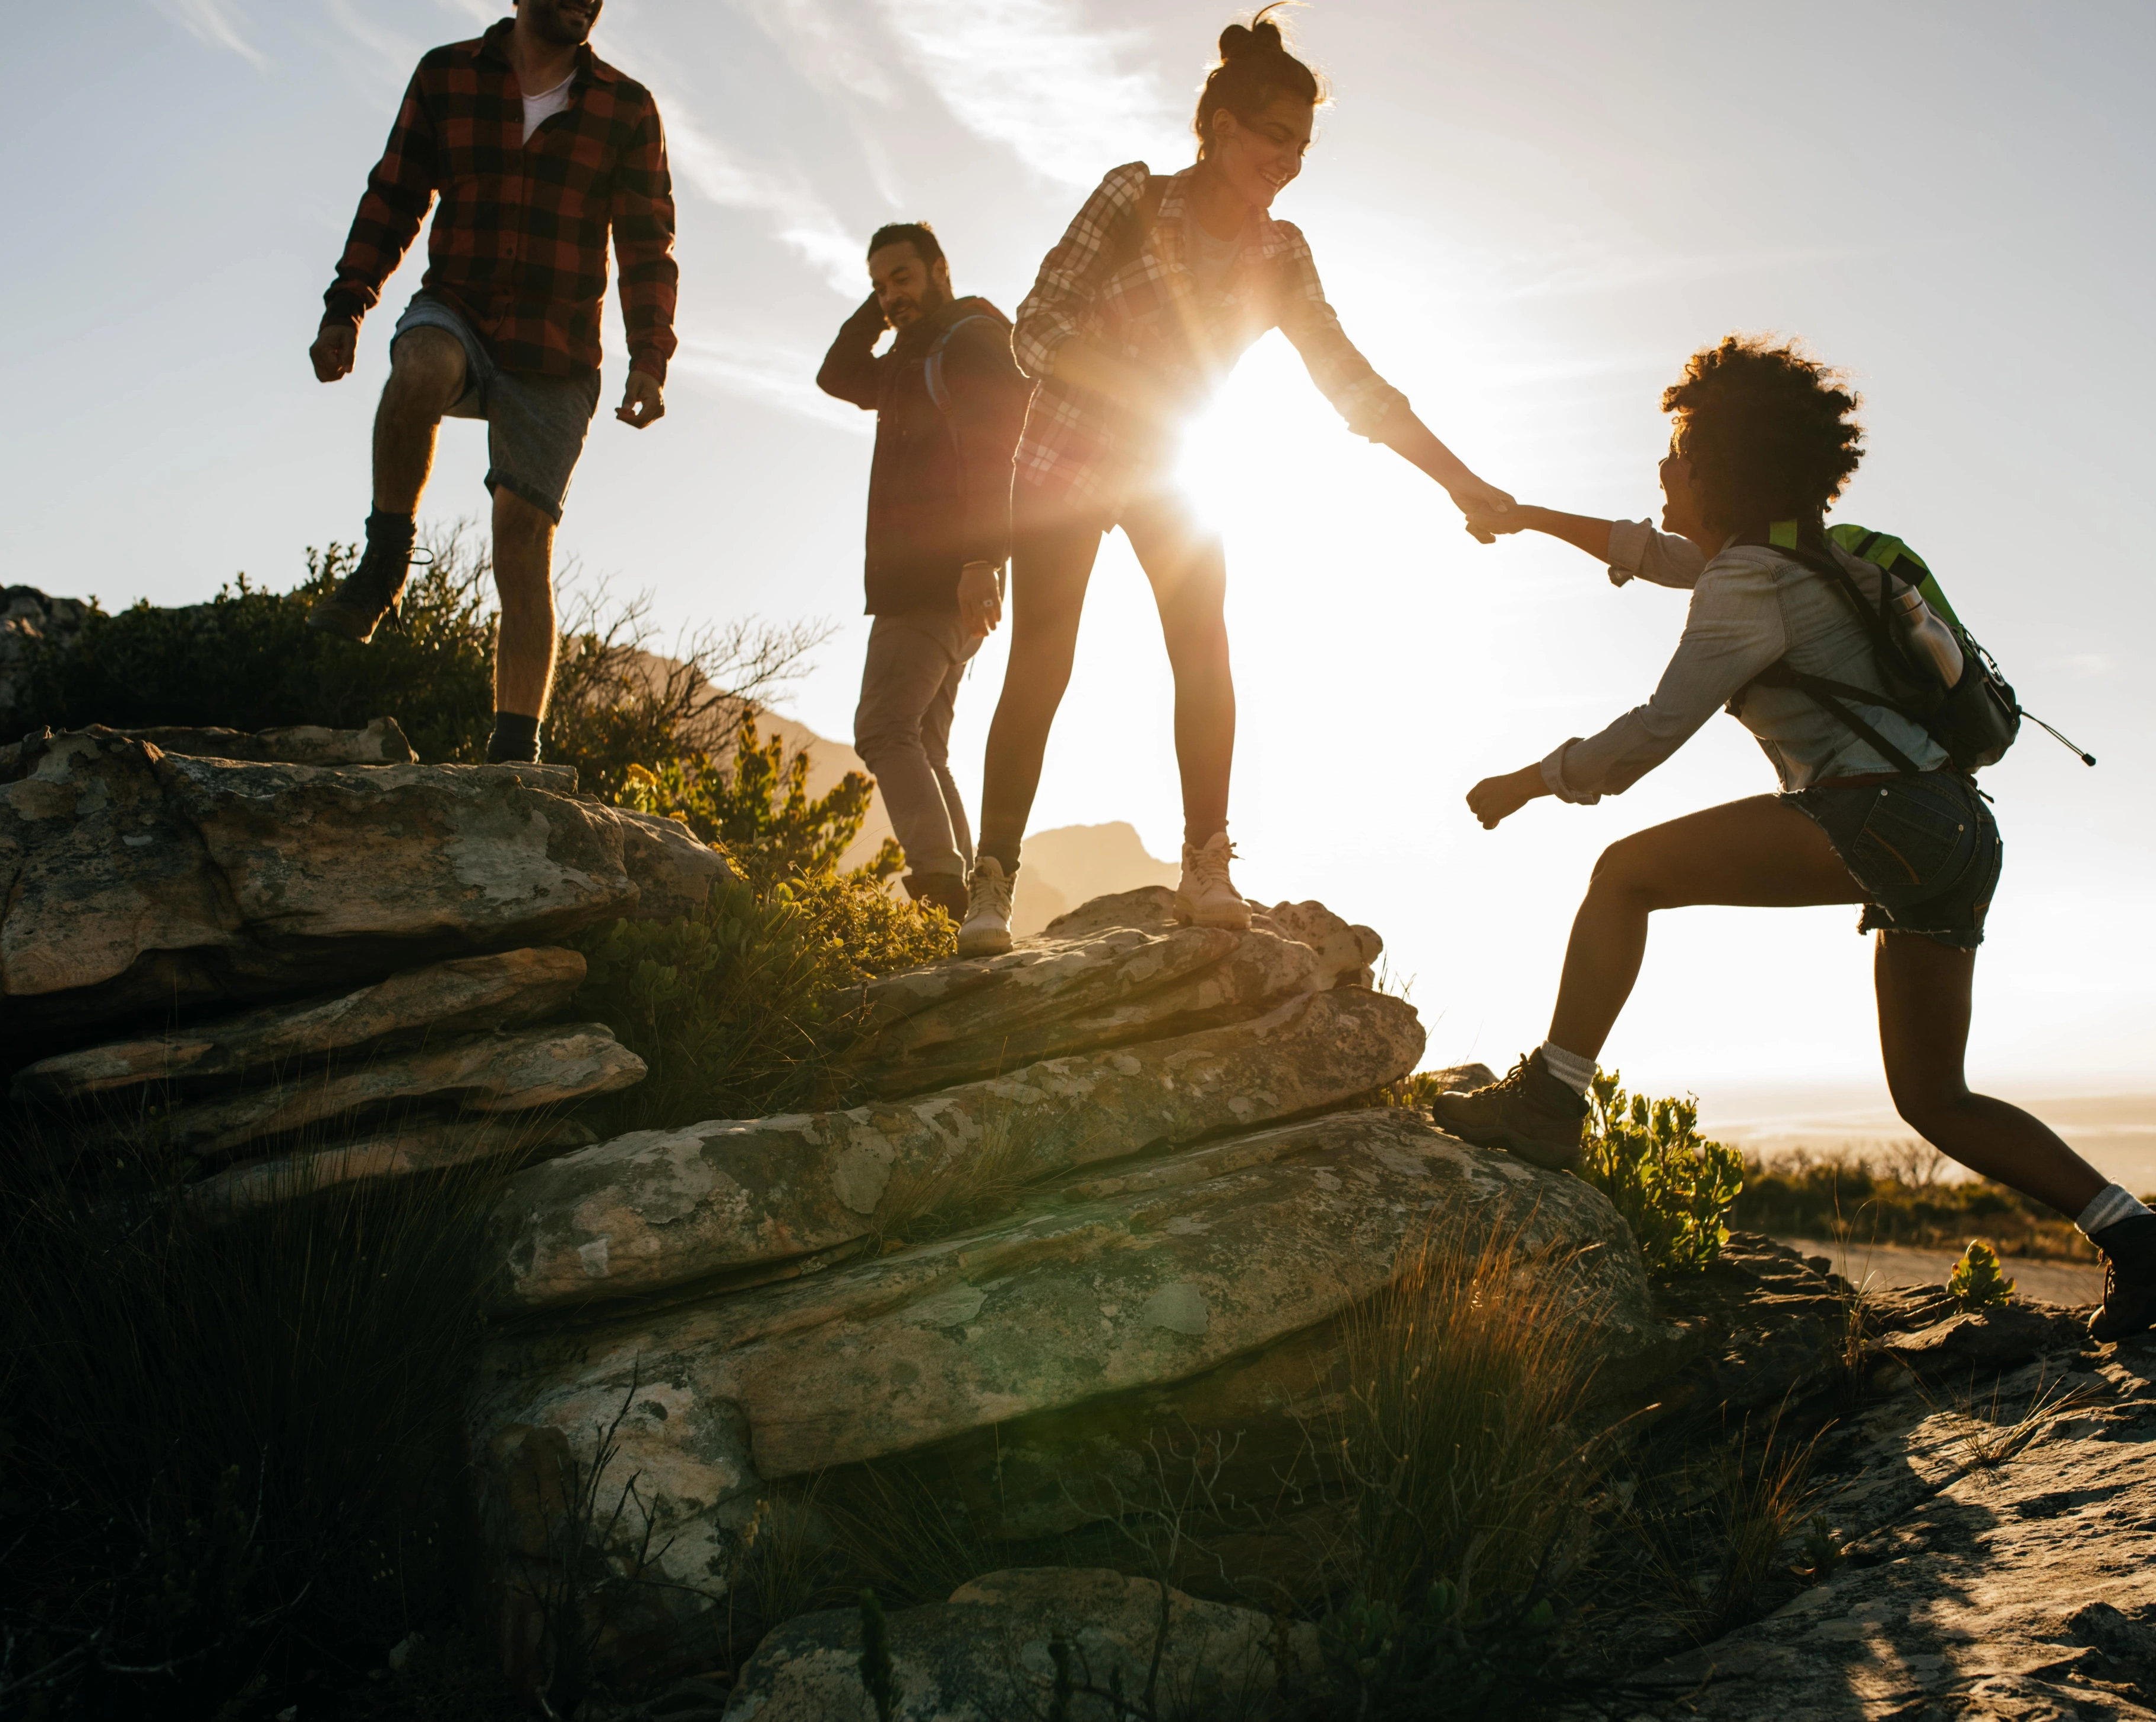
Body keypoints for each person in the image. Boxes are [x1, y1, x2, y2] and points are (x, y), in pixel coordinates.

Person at [1435, 333, 2154, 1343]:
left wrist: (1530, 781)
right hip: (1954, 831)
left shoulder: (1748, 586)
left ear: (1722, 472)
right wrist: (1525, 517)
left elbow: (1652, 732)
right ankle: (2139, 1239)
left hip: (1881, 817)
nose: (1661, 470)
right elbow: (1658, 555)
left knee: (1624, 873)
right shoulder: (1805, 556)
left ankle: (1550, 1099)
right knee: (1936, 1099)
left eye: (1678, 455)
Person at [954, 7, 1514, 957]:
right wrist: (1123, 382)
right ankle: (992, 882)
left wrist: (1457, 480)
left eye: (1302, 144)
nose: (1289, 159)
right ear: (1220, 127)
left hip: (1176, 466)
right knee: (1044, 658)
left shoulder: (1280, 254)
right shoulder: (1132, 197)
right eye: (1274, 136)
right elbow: (1035, 324)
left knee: (1203, 650)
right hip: (1070, 457)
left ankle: (1206, 864)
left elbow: (1353, 383)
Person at [305, 0, 675, 765]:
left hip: (557, 350)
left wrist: (649, 357)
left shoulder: (626, 108)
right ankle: (385, 561)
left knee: (521, 539)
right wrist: (348, 304)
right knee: (421, 368)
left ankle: (514, 751)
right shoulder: (446, 76)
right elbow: (395, 195)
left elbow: (646, 243)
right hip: (460, 307)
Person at [817, 223, 1033, 920]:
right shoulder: (909, 358)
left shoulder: (966, 342)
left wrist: (981, 560)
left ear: (939, 269)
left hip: (941, 576)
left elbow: (995, 450)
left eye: (903, 278)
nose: (891, 296)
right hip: (939, 579)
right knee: (924, 744)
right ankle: (970, 900)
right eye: (880, 284)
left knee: (883, 727)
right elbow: (836, 375)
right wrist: (877, 310)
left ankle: (942, 886)